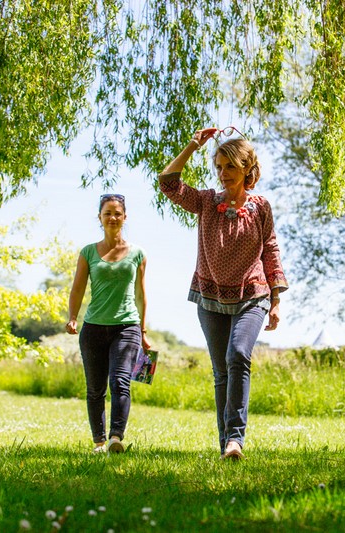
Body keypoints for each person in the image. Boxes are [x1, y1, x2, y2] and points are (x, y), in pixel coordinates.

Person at [158, 127, 288, 460]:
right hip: (210, 297)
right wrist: (192, 144)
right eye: (218, 166)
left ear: (246, 168)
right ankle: (226, 444)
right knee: (220, 372)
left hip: (252, 295)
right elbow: (168, 183)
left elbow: (270, 250)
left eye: (229, 166)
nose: (222, 173)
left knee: (238, 355)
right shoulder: (205, 201)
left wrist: (275, 299)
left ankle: (235, 438)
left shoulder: (261, 208)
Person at [66, 193, 150, 454]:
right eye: (107, 213)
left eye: (117, 213)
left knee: (120, 381)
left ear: (125, 217)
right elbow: (77, 288)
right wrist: (71, 317)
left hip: (127, 327)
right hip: (93, 328)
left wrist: (144, 331)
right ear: (100, 218)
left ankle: (116, 437)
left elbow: (140, 293)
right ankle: (99, 442)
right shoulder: (88, 252)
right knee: (95, 389)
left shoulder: (137, 253)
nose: (112, 217)